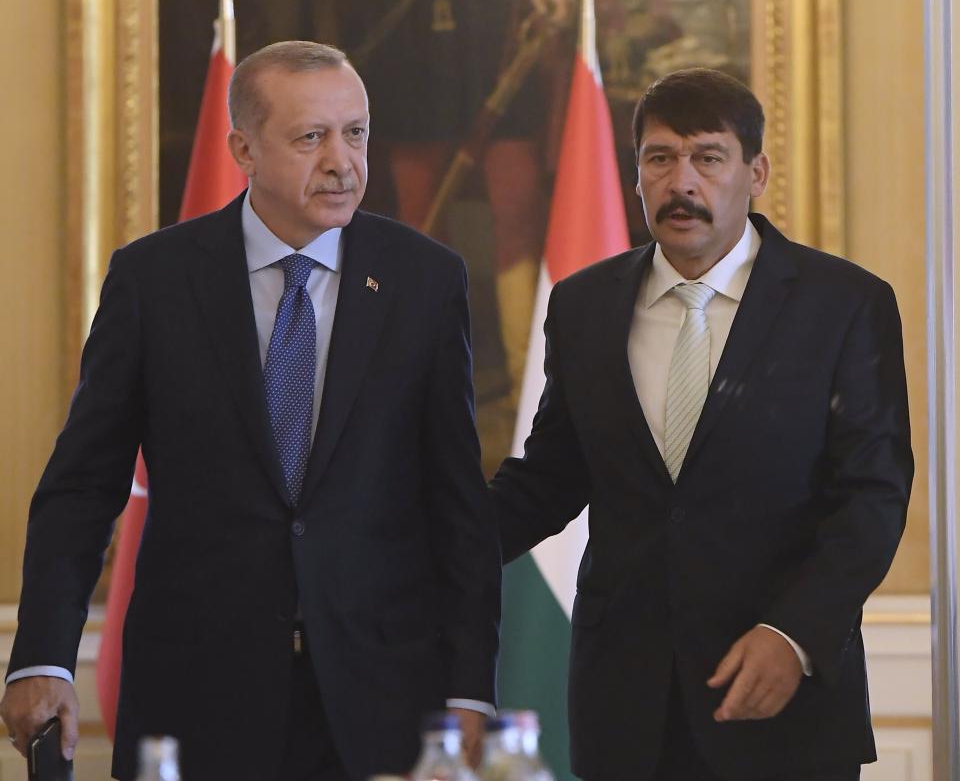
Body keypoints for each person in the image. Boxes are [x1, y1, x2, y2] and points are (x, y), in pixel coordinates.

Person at [1, 42, 501, 781]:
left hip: (381, 699)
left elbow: (457, 504)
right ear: (243, 148)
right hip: (197, 695)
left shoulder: (424, 282)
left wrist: (470, 689)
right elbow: (83, 484)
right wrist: (43, 653)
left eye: (355, 133)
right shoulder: (154, 280)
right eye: (311, 138)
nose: (342, 161)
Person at [490, 68, 913, 781]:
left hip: (780, 697)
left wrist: (795, 634)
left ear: (756, 172)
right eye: (659, 158)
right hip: (624, 704)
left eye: (707, 158)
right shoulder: (583, 306)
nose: (681, 181)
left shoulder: (843, 305)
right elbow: (552, 479)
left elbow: (872, 496)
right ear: (636, 177)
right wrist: (429, 544)